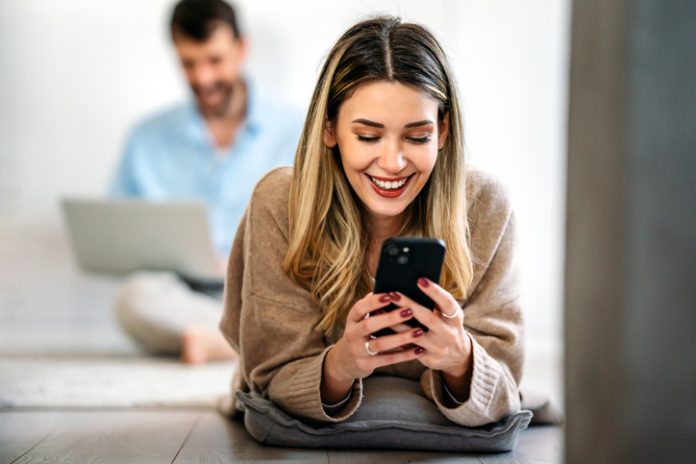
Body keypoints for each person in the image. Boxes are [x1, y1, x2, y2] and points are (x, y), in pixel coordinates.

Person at [219, 16, 523, 427]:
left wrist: (460, 359)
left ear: (443, 131)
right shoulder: (279, 203)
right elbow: (272, 373)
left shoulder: (486, 208)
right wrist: (341, 365)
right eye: (368, 137)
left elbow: (505, 382)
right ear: (330, 128)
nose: (393, 163)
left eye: (417, 137)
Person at [110, 0, 302, 363]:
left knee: (310, 298)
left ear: (242, 49)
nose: (203, 78)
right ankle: (254, 343)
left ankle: (227, 342)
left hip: (265, 287)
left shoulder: (298, 129)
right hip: (184, 292)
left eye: (214, 61)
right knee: (133, 298)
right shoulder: (146, 139)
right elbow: (120, 236)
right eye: (188, 63)